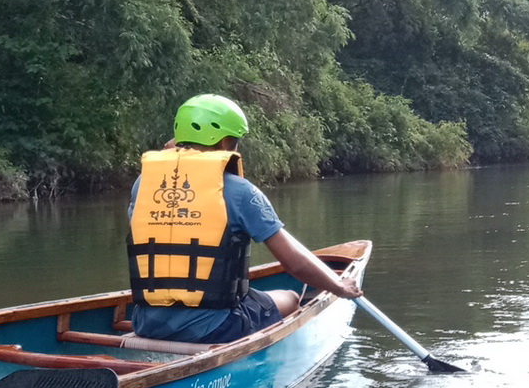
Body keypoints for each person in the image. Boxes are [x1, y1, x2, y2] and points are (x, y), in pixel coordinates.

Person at [127, 93, 362, 344]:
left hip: (146, 322)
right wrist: (340, 287)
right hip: (216, 326)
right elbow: (296, 265)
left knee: (251, 295)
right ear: (227, 142)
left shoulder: (143, 184)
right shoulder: (240, 192)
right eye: (236, 140)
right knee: (291, 298)